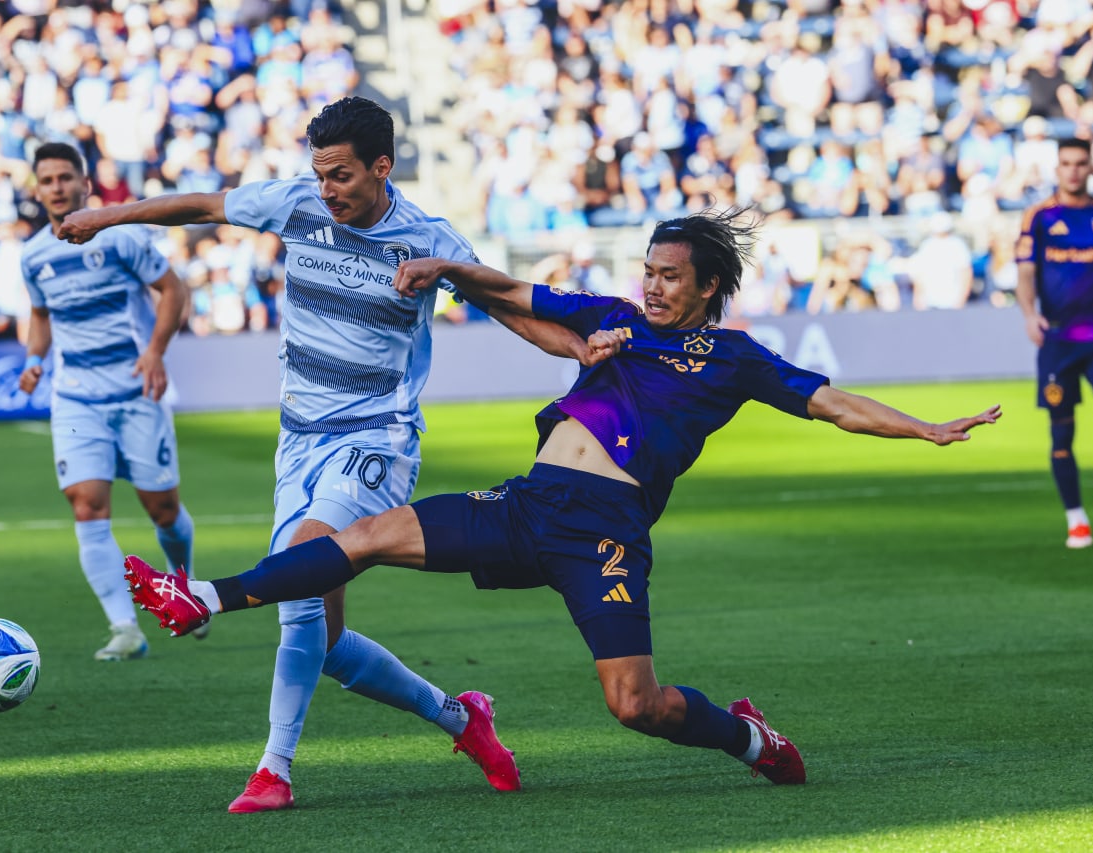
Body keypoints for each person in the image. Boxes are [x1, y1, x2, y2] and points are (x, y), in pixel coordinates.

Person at [124, 208, 1001, 790]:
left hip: (606, 537)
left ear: (704, 288)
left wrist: (923, 429)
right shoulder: (607, 315)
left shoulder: (733, 357)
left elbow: (830, 402)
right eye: (649, 270)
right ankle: (205, 593)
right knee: (364, 536)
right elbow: (511, 291)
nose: (652, 284)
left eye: (668, 275)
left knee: (636, 706)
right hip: (527, 504)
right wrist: (443, 265)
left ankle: (746, 737)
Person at [57, 97, 602, 812]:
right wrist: (107, 215)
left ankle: (273, 769)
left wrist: (585, 349)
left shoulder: (426, 241)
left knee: (303, 578)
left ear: (382, 167)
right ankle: (461, 716)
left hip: (375, 439)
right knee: (323, 634)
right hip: (299, 443)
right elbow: (206, 203)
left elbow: (512, 310)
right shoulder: (295, 205)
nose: (327, 190)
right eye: (319, 175)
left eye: (341, 175)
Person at [18, 141, 200, 661]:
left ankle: (185, 588)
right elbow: (41, 316)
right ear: (38, 189)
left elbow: (174, 289)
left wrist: (156, 352)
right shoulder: (33, 255)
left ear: (84, 184)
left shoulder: (121, 240)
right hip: (76, 399)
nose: (56, 187)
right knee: (87, 505)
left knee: (162, 510)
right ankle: (126, 629)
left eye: (64, 178)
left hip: (136, 390)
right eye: (47, 179)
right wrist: (35, 358)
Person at [1015, 136, 1093, 549]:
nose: (1073, 170)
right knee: (1061, 432)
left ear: (1092, 168)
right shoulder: (1039, 217)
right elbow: (1025, 274)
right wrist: (1028, 313)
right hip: (1057, 339)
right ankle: (1075, 518)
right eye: (1066, 163)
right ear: (1057, 169)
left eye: (1081, 163)